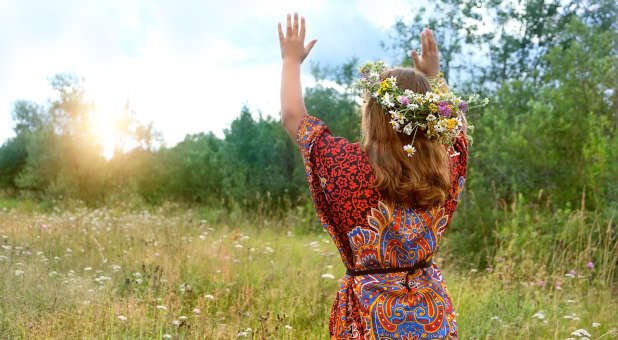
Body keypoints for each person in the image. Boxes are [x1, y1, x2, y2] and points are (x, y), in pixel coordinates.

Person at [278, 13, 468, 339]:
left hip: (372, 317)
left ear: (372, 117)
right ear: (431, 118)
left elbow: (294, 118)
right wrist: (434, 78)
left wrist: (290, 60)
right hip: (432, 318)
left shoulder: (349, 168)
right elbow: (458, 130)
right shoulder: (447, 170)